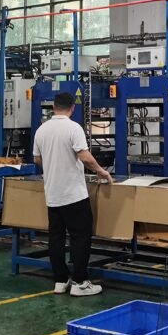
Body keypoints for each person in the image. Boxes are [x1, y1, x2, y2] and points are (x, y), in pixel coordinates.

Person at [33, 91, 114, 296]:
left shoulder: (41, 130)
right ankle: (80, 282)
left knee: (56, 238)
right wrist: (101, 171)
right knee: (80, 237)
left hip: (52, 195)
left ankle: (60, 281)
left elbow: (37, 159)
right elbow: (84, 156)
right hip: (73, 195)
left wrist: (54, 165)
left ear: (53, 107)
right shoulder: (73, 128)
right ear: (73, 108)